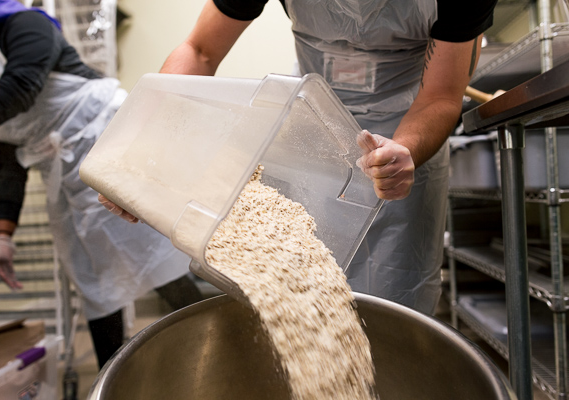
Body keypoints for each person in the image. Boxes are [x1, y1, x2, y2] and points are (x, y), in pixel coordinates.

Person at [102, 0, 499, 316]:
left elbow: (442, 97)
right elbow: (200, 50)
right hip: (314, 125)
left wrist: (404, 151)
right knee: (299, 292)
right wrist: (140, 152)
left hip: (408, 127)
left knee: (397, 295)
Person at [0, 0, 203, 369]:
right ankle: (108, 379)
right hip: (66, 181)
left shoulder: (26, 25)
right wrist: (3, 235)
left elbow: (22, 86)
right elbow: (7, 159)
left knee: (155, 259)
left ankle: (220, 337)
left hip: (108, 149)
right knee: (97, 282)